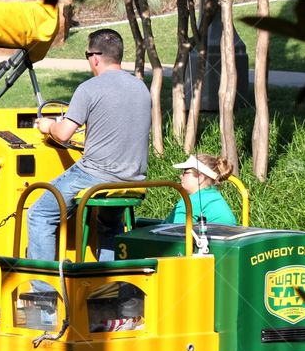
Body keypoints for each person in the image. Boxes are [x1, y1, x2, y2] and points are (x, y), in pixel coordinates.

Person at [28, 29, 151, 267]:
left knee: (39, 214)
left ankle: (43, 296)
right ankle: (108, 288)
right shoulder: (141, 88)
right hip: (133, 179)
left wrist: (48, 125)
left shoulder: (88, 88)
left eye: (87, 55)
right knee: (110, 224)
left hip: (96, 175)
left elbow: (64, 135)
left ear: (95, 57)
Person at [166, 153, 237, 225]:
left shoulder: (190, 202)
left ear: (200, 178)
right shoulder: (215, 197)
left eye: (185, 172)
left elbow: (170, 231)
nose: (181, 176)